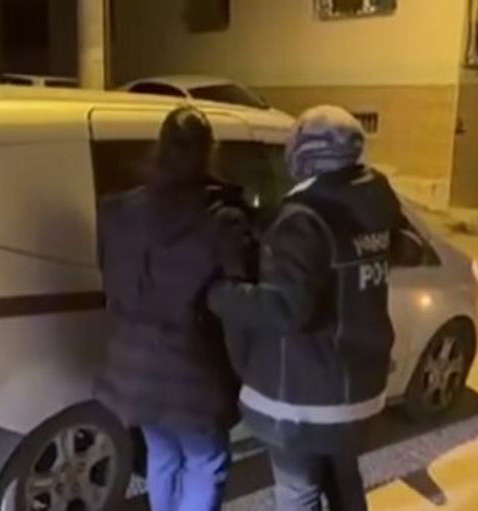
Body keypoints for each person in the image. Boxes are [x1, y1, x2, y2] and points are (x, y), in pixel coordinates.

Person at [207, 105, 404, 511]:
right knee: (344, 479)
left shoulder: (303, 218)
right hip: (358, 386)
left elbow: (287, 309)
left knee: (298, 490)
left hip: (304, 395)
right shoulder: (376, 204)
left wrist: (222, 295)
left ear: (304, 154)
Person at [96, 105, 255, 511]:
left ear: (160, 148)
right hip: (195, 371)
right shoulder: (223, 219)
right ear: (209, 151)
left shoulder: (121, 210)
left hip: (133, 368)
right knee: (206, 461)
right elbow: (242, 296)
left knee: (163, 454)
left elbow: (111, 277)